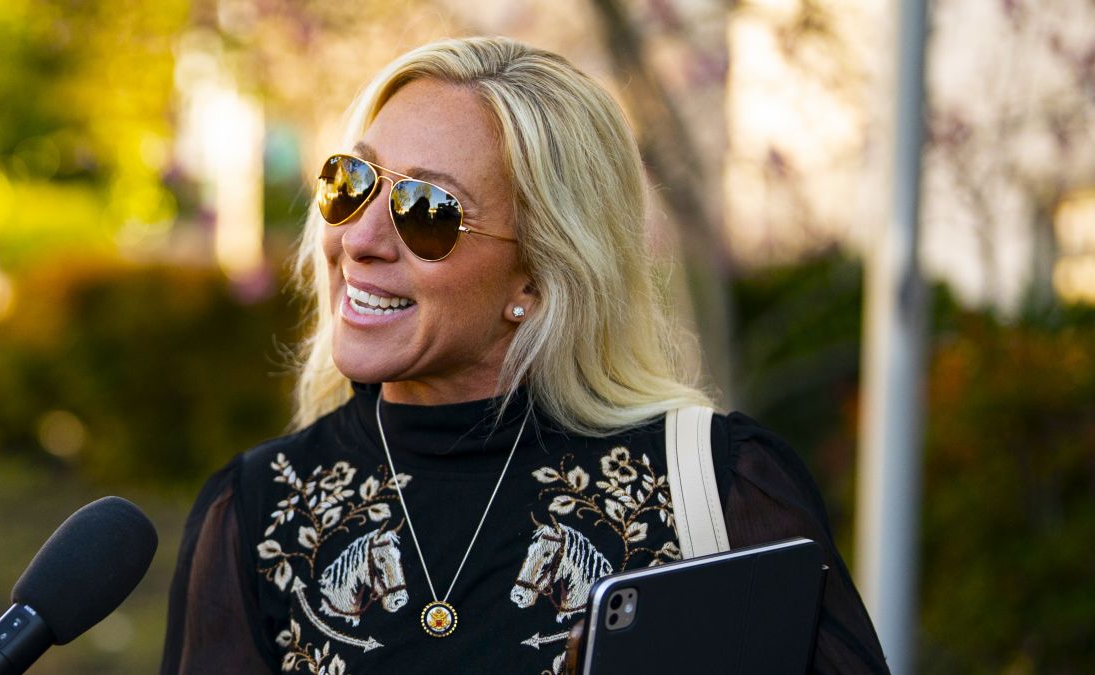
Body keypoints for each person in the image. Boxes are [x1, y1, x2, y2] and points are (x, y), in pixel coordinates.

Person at [162, 36, 889, 674]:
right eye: (351, 183)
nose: (359, 239)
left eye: (427, 211)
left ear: (540, 277)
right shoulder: (260, 513)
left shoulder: (721, 488)